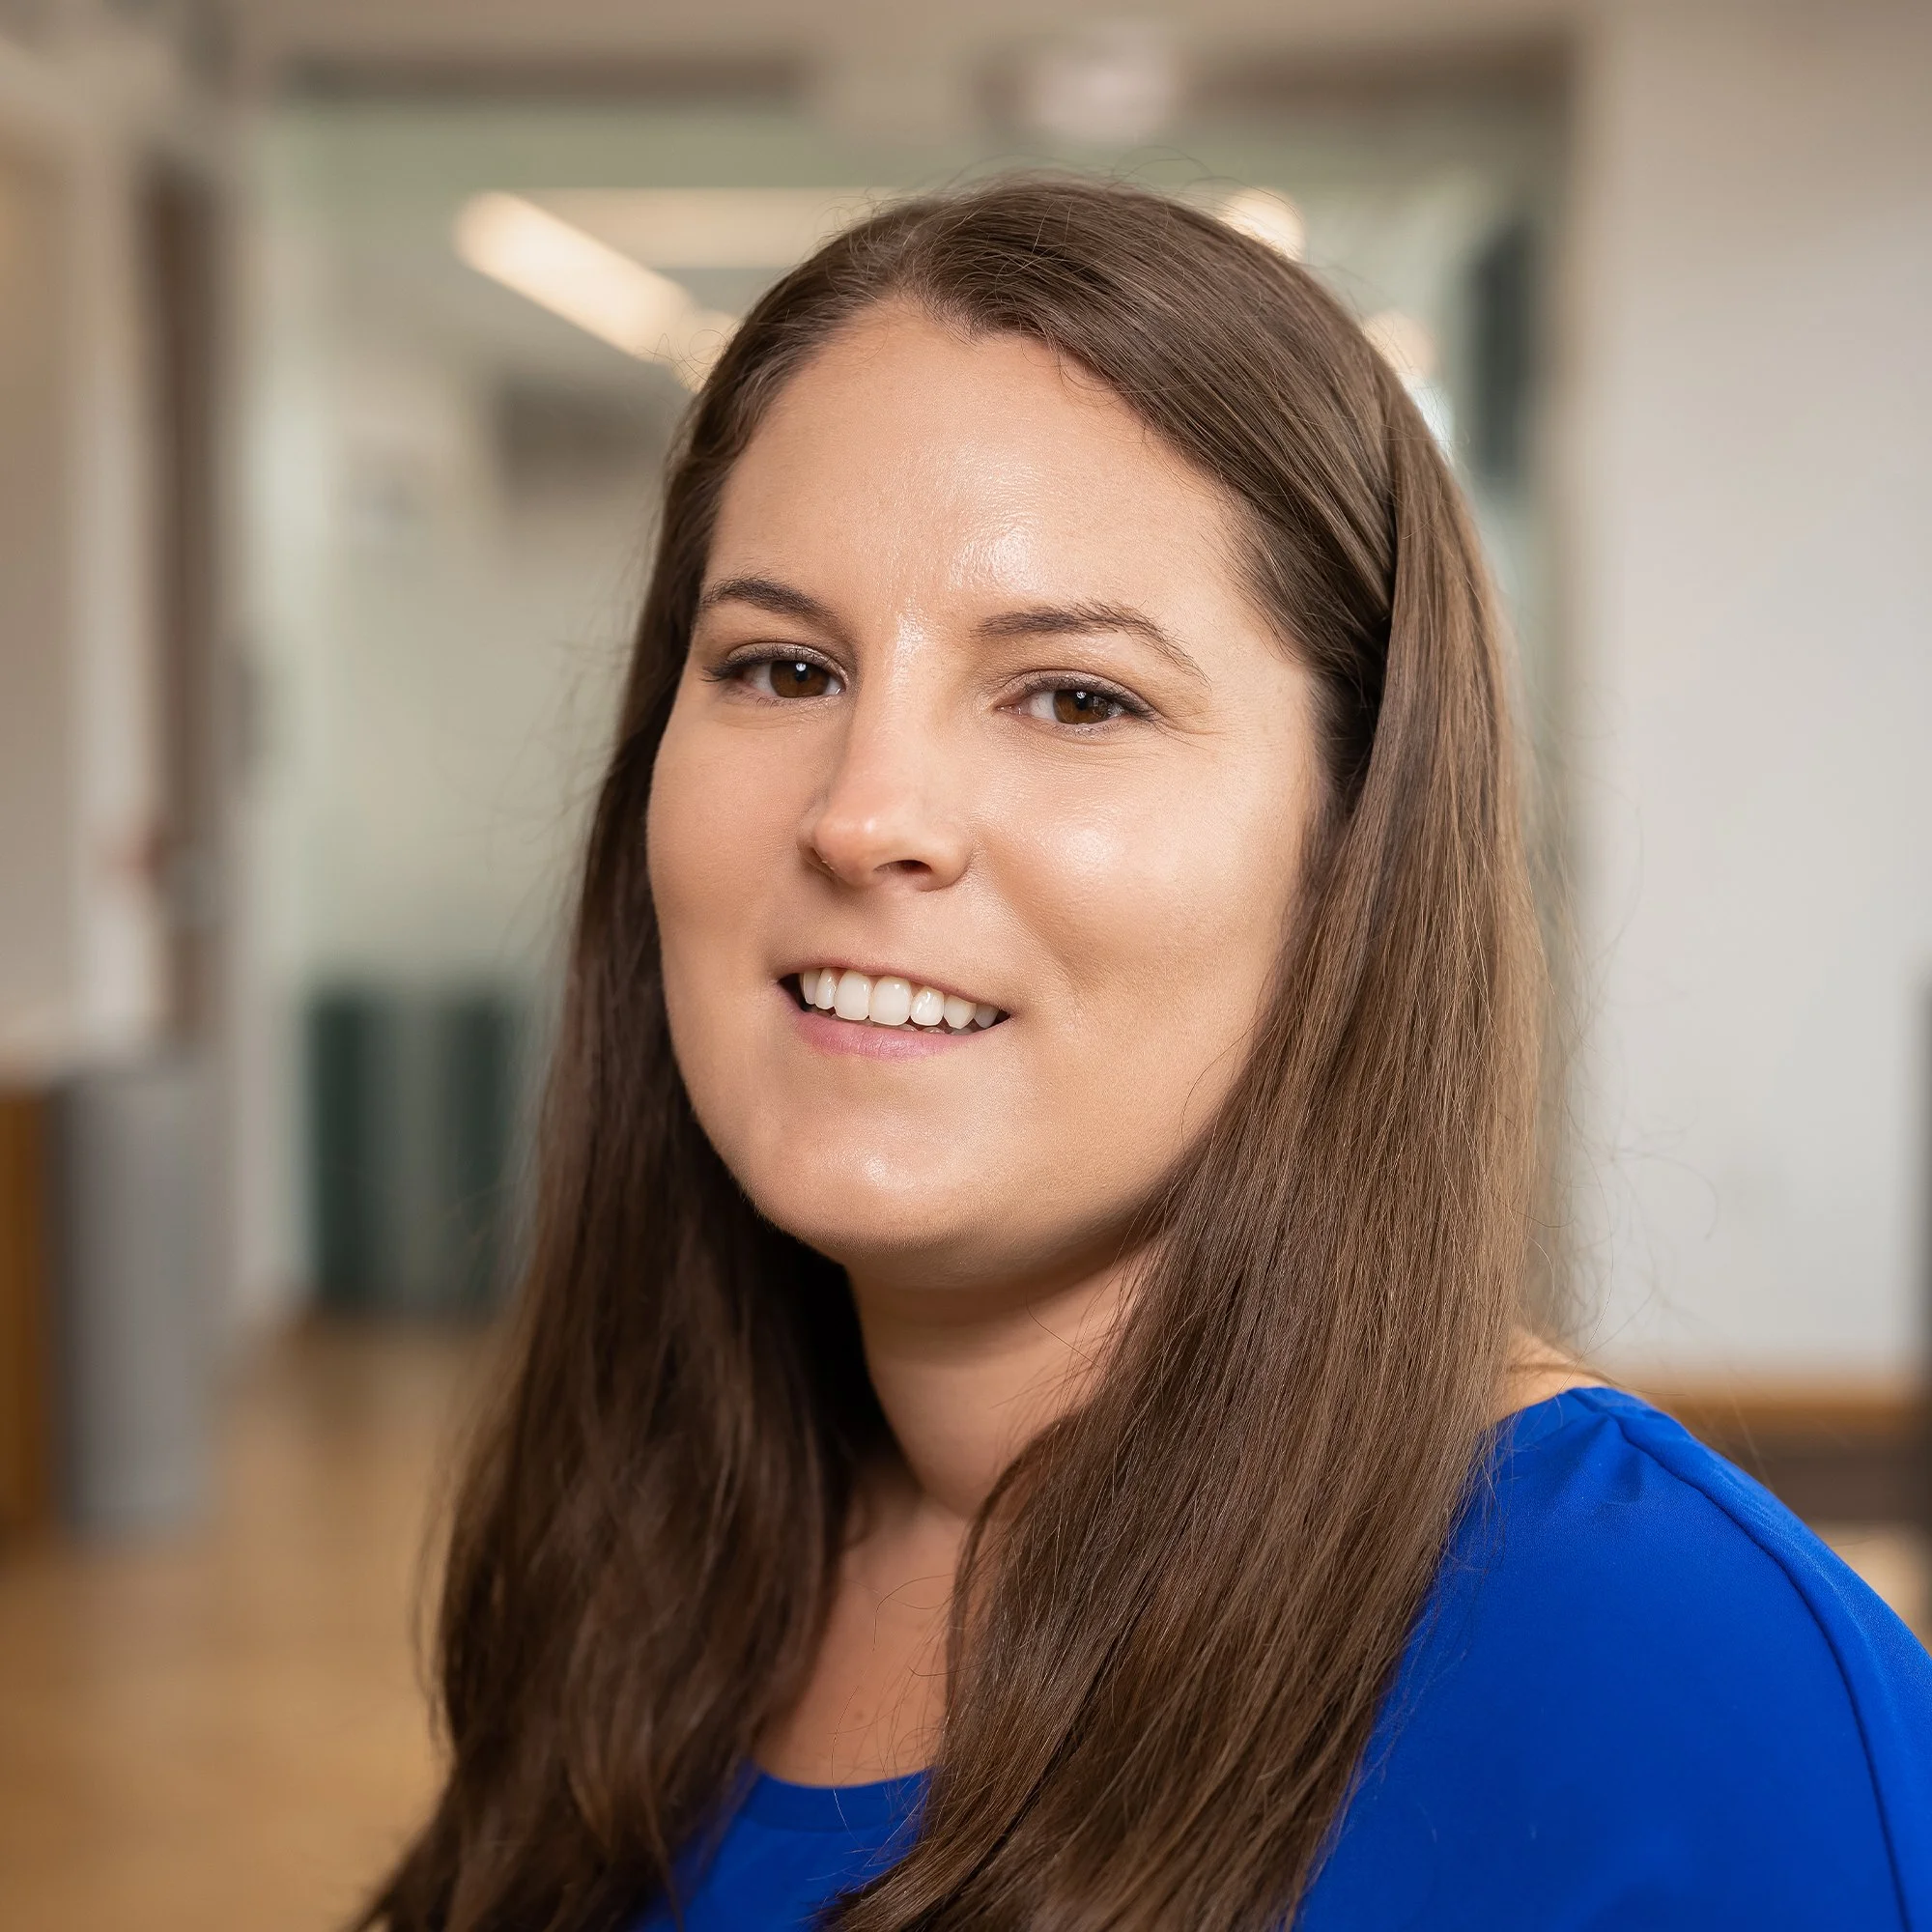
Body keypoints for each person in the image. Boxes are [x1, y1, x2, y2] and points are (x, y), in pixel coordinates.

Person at [361, 179, 1932, 1932]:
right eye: (782, 666)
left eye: (1075, 697)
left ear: (1356, 845)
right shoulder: (652, 1554)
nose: (866, 813)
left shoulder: (1682, 1683)